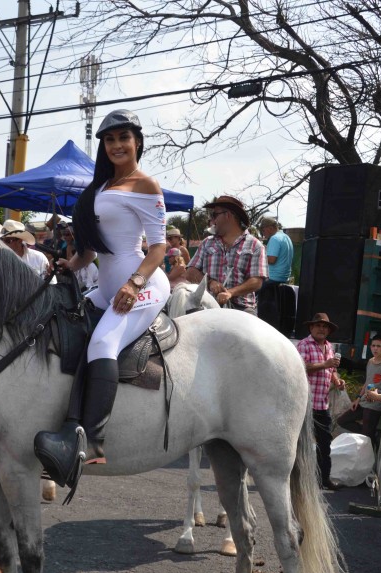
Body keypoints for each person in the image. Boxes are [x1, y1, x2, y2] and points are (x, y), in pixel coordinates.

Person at [36, 109, 169, 477]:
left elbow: (159, 248)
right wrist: (72, 265)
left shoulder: (146, 185)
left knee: (102, 344)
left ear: (137, 142)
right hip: (105, 285)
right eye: (110, 140)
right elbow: (93, 250)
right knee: (62, 325)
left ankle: (91, 441)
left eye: (123, 138)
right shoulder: (102, 187)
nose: (116, 145)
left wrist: (134, 283)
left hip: (141, 285)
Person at [185, 195, 267, 313]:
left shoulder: (255, 245)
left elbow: (256, 282)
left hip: (242, 308)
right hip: (206, 306)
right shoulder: (207, 243)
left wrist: (231, 292)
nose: (212, 221)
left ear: (227, 215)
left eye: (214, 215)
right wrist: (210, 282)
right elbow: (190, 272)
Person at [296, 312, 346, 490]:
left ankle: (323, 479)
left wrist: (337, 381)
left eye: (324, 326)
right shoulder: (304, 344)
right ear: (311, 328)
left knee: (325, 444)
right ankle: (296, 479)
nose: (321, 329)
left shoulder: (329, 347)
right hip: (305, 404)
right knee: (300, 444)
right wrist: (325, 365)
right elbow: (300, 367)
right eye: (318, 325)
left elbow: (331, 371)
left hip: (321, 404)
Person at [336, 334, 381, 448]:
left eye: (378, 346)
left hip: (376, 402)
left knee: (367, 434)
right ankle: (372, 434)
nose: (375, 348)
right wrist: (358, 398)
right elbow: (368, 382)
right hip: (364, 400)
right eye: (373, 346)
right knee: (342, 420)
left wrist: (377, 396)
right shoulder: (370, 361)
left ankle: (370, 447)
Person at [259, 216, 292, 284]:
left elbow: (271, 260)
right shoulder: (286, 237)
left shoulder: (274, 238)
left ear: (270, 228)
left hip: (273, 278)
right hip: (284, 277)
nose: (263, 234)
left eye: (263, 230)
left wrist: (257, 257)